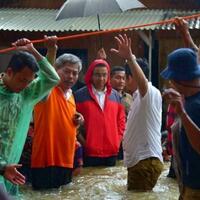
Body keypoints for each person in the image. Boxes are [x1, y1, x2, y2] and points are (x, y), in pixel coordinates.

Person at [0, 37, 60, 195]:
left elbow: (52, 78)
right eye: (22, 80)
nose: (25, 85)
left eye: (29, 81)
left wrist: (34, 51)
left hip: (11, 171)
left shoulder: (27, 94)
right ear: (9, 72)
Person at [110, 34, 163, 191]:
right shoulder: (138, 97)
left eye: (125, 78)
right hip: (141, 161)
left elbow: (143, 84)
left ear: (129, 77)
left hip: (144, 161)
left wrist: (130, 59)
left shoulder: (148, 92)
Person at [31, 38, 84, 190]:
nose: (71, 76)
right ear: (55, 69)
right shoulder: (47, 90)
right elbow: (45, 77)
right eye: (66, 71)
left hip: (66, 159)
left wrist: (79, 119)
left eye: (75, 73)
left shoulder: (72, 96)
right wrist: (52, 50)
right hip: (46, 160)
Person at [161, 47, 200, 199]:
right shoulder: (189, 98)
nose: (170, 83)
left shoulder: (195, 106)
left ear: (179, 80)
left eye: (171, 79)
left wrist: (182, 114)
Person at [74, 59, 126, 167]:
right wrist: (85, 143)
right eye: (97, 75)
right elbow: (74, 122)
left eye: (104, 75)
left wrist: (117, 141)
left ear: (108, 76)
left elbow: (121, 121)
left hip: (112, 151)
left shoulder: (115, 95)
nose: (101, 78)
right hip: (89, 152)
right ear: (91, 75)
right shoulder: (79, 95)